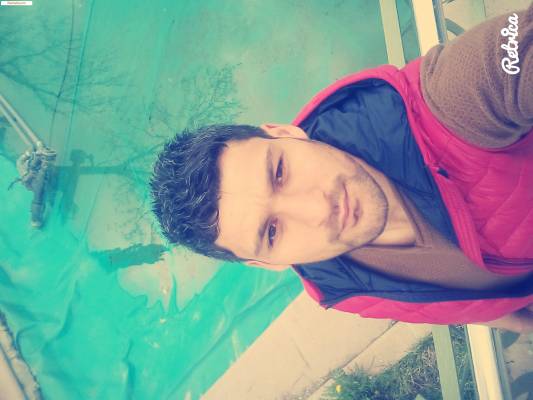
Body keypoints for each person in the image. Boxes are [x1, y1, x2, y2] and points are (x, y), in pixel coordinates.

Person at [150, 6, 533, 333]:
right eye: (272, 232)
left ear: (285, 133)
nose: (319, 209)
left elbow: (509, 65)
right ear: (267, 264)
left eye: (279, 172)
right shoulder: (335, 286)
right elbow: (463, 303)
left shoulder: (446, 99)